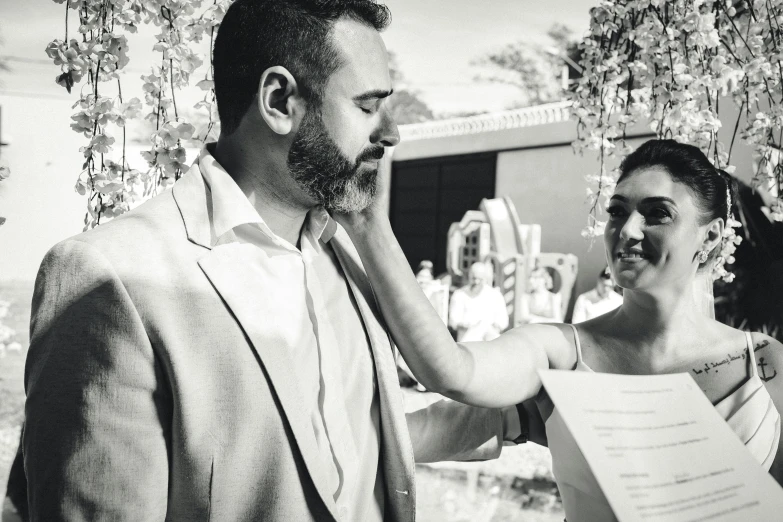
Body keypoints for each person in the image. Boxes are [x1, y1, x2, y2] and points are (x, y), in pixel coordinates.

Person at [23, 2, 524, 520]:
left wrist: (514, 417)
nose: (393, 133)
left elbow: (355, 437)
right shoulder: (110, 277)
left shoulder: (347, 255)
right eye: (369, 107)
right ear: (279, 100)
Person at [336, 138, 783, 522]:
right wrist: (367, 221)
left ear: (711, 237)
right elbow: (454, 372)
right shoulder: (560, 353)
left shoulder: (767, 365)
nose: (627, 230)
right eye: (617, 211)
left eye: (657, 213)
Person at [449, 262, 509, 341]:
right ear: (469, 277)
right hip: (468, 341)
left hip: (490, 342)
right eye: (473, 278)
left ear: (485, 279)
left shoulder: (495, 296)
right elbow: (453, 321)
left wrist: (493, 325)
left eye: (480, 279)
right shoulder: (459, 295)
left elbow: (503, 321)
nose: (476, 282)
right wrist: (466, 325)